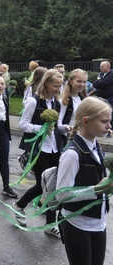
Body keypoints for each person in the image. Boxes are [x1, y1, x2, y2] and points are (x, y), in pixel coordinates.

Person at [56, 96, 113, 265]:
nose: (109, 126)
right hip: (77, 223)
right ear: (86, 121)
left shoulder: (96, 146)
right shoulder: (72, 153)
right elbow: (62, 195)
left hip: (98, 223)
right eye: (104, 122)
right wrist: (95, 190)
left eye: (109, 121)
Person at [15, 69, 67, 237]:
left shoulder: (57, 103)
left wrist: (64, 128)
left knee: (54, 186)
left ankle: (50, 224)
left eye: (60, 86)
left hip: (54, 148)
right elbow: (23, 124)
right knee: (42, 185)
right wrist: (41, 128)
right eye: (55, 86)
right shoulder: (33, 101)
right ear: (46, 83)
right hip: (39, 149)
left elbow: (56, 125)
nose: (58, 89)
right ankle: (19, 206)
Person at [59, 69, 88, 144]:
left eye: (84, 82)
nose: (82, 84)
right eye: (79, 81)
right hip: (67, 139)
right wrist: (66, 128)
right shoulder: (64, 101)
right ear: (71, 82)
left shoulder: (84, 100)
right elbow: (58, 124)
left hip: (82, 137)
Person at [93, 61, 113, 128]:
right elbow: (95, 83)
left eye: (102, 66)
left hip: (109, 97)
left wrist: (99, 82)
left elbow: (103, 83)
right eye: (100, 66)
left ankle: (110, 128)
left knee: (109, 112)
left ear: (108, 67)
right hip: (100, 97)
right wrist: (99, 82)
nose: (100, 67)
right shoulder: (100, 74)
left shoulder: (111, 74)